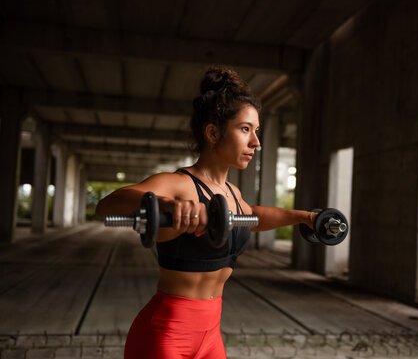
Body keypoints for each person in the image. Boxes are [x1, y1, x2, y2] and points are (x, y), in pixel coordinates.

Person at [96, 66, 317, 359]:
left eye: (257, 131)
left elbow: (254, 217)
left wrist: (305, 217)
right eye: (245, 129)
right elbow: (109, 203)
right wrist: (167, 205)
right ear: (213, 132)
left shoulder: (233, 194)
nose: (256, 143)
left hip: (211, 335)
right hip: (165, 334)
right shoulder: (180, 184)